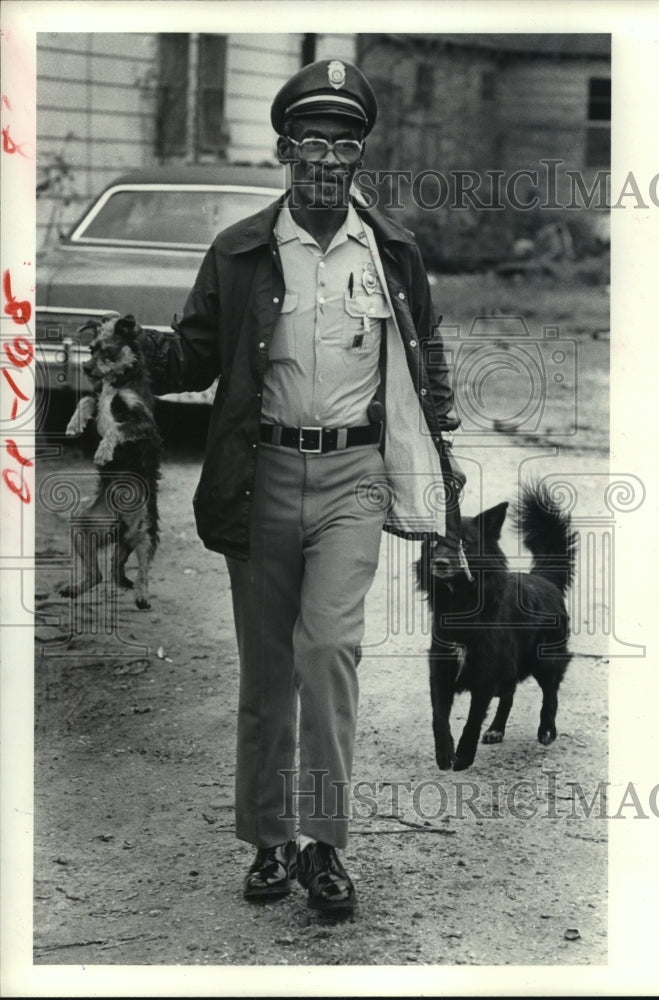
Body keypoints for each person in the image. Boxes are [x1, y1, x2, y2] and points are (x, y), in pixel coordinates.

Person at [139, 58, 464, 916]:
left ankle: (325, 846)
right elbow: (195, 355)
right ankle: (269, 841)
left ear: (361, 157)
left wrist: (440, 429)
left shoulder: (392, 251)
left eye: (344, 145)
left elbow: (424, 352)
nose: (327, 159)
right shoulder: (241, 250)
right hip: (263, 477)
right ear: (284, 150)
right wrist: (132, 354)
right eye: (311, 142)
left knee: (327, 652)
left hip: (356, 478)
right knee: (268, 667)